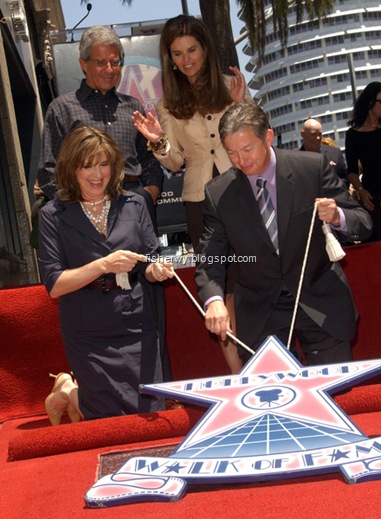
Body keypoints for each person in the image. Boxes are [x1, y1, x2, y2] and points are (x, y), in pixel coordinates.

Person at [195, 103, 372, 367]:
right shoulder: (219, 193)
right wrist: (214, 301)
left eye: (247, 149)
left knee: (335, 393)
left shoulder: (311, 168)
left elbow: (364, 223)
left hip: (319, 297)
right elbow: (211, 257)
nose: (241, 161)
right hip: (260, 308)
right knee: (272, 398)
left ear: (268, 137)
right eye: (231, 153)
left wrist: (338, 217)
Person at [132, 14, 253, 373]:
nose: (186, 59)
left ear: (205, 49)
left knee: (252, 280)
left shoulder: (232, 85)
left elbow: (257, 140)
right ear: (169, 58)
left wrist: (242, 104)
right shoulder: (168, 104)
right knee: (219, 287)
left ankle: (266, 364)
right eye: (177, 53)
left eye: (192, 50)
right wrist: (158, 141)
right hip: (201, 202)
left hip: (243, 194)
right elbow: (174, 161)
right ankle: (239, 373)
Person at [39, 126, 174, 424]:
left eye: (104, 164)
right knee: (105, 420)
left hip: (137, 321)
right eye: (87, 166)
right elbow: (54, 285)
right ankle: (69, 391)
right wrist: (103, 265)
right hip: (87, 328)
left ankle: (69, 391)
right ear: (72, 168)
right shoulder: (53, 214)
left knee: (148, 415)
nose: (97, 174)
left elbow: (149, 264)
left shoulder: (135, 203)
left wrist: (157, 270)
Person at [37, 25, 163, 223]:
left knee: (140, 256)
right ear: (83, 64)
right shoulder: (62, 109)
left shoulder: (133, 107)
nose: (109, 69)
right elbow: (48, 170)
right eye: (101, 62)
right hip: (82, 210)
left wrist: (150, 193)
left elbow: (148, 160)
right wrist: (75, 209)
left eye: (114, 62)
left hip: (134, 205)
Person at [345, 81, 381, 242]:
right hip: (372, 196)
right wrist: (361, 190)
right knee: (373, 243)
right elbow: (352, 171)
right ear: (370, 102)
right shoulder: (353, 134)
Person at [300, 118, 348, 187]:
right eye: (313, 134)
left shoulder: (335, 153)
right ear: (303, 134)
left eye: (320, 134)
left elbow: (344, 179)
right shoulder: (294, 159)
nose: (318, 138)